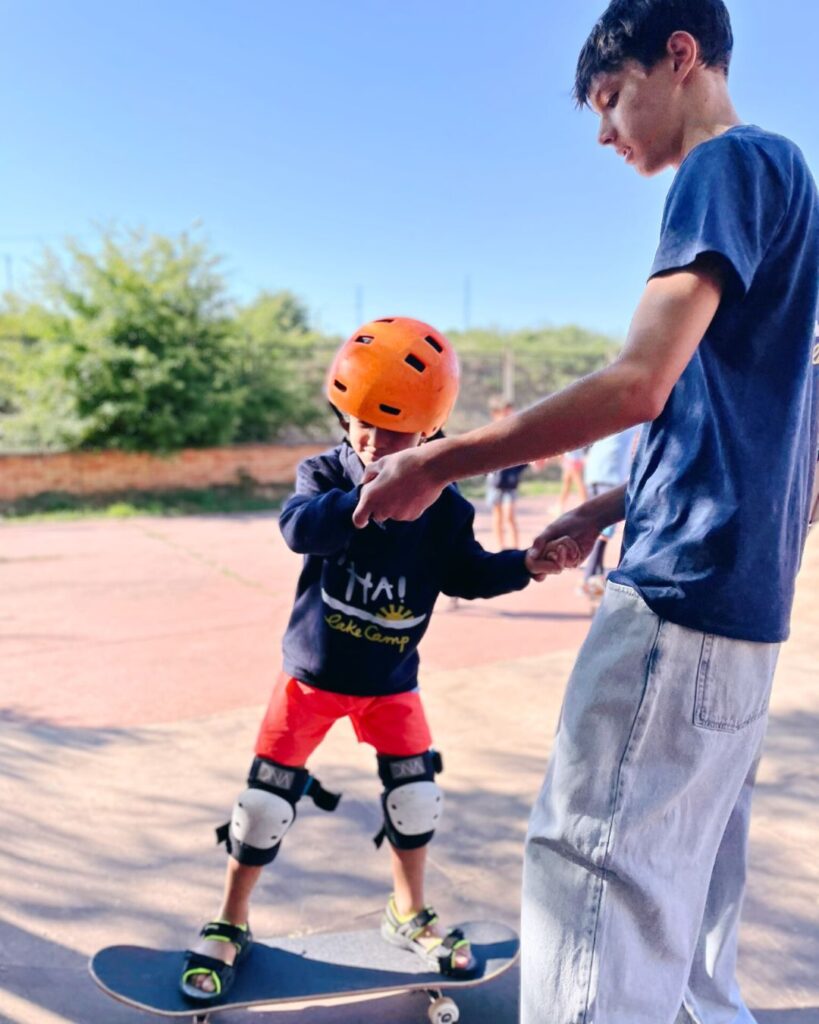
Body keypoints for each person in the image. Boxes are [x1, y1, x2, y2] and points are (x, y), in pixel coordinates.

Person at [351, 3, 819, 1021]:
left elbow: (640, 383)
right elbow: (738, 430)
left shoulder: (725, 168)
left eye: (610, 99)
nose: (605, 132)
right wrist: (605, 505)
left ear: (680, 57)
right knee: (685, 895)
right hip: (743, 605)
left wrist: (442, 460)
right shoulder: (789, 179)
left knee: (594, 870)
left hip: (683, 593)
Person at [179, 316, 577, 1007]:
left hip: (391, 683)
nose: (369, 439)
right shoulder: (327, 473)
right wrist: (365, 501)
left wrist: (526, 565)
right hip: (310, 675)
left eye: (390, 430)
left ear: (429, 430)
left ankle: (407, 911)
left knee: (416, 798)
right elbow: (297, 528)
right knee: (262, 805)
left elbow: (467, 573)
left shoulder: (445, 506)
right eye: (358, 421)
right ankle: (231, 920)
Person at [579, 425, 639, 598]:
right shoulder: (637, 419)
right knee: (604, 531)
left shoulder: (615, 417)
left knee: (599, 528)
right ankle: (589, 577)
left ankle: (594, 576)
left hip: (593, 476)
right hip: (609, 477)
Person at [486, 396, 528, 550]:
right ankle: (500, 547)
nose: (508, 416)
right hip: (495, 483)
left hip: (511, 483)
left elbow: (524, 459)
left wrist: (516, 471)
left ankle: (515, 548)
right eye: (505, 413)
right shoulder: (491, 434)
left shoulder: (515, 435)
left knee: (509, 515)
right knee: (497, 516)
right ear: (496, 414)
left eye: (510, 412)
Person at [557, 446, 588, 513]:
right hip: (573, 460)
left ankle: (586, 505)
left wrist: (561, 455)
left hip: (572, 460)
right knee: (567, 483)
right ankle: (560, 506)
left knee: (579, 483)